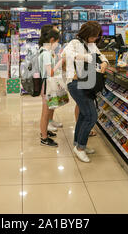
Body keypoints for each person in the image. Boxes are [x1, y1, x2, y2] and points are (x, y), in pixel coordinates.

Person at [62, 21, 109, 162]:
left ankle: (79, 144)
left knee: (84, 115)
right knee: (91, 116)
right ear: (86, 34)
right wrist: (85, 58)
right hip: (76, 83)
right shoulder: (74, 43)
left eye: (96, 37)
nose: (95, 39)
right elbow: (65, 55)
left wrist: (105, 62)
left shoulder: (92, 45)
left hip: (88, 83)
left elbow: (102, 57)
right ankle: (80, 148)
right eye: (93, 36)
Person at [39, 29, 61, 147]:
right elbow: (50, 72)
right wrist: (61, 62)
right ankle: (44, 138)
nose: (57, 44)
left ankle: (45, 131)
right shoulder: (46, 54)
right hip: (46, 85)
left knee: (46, 111)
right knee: (45, 112)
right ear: (52, 40)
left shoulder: (43, 51)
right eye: (57, 42)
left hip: (46, 84)